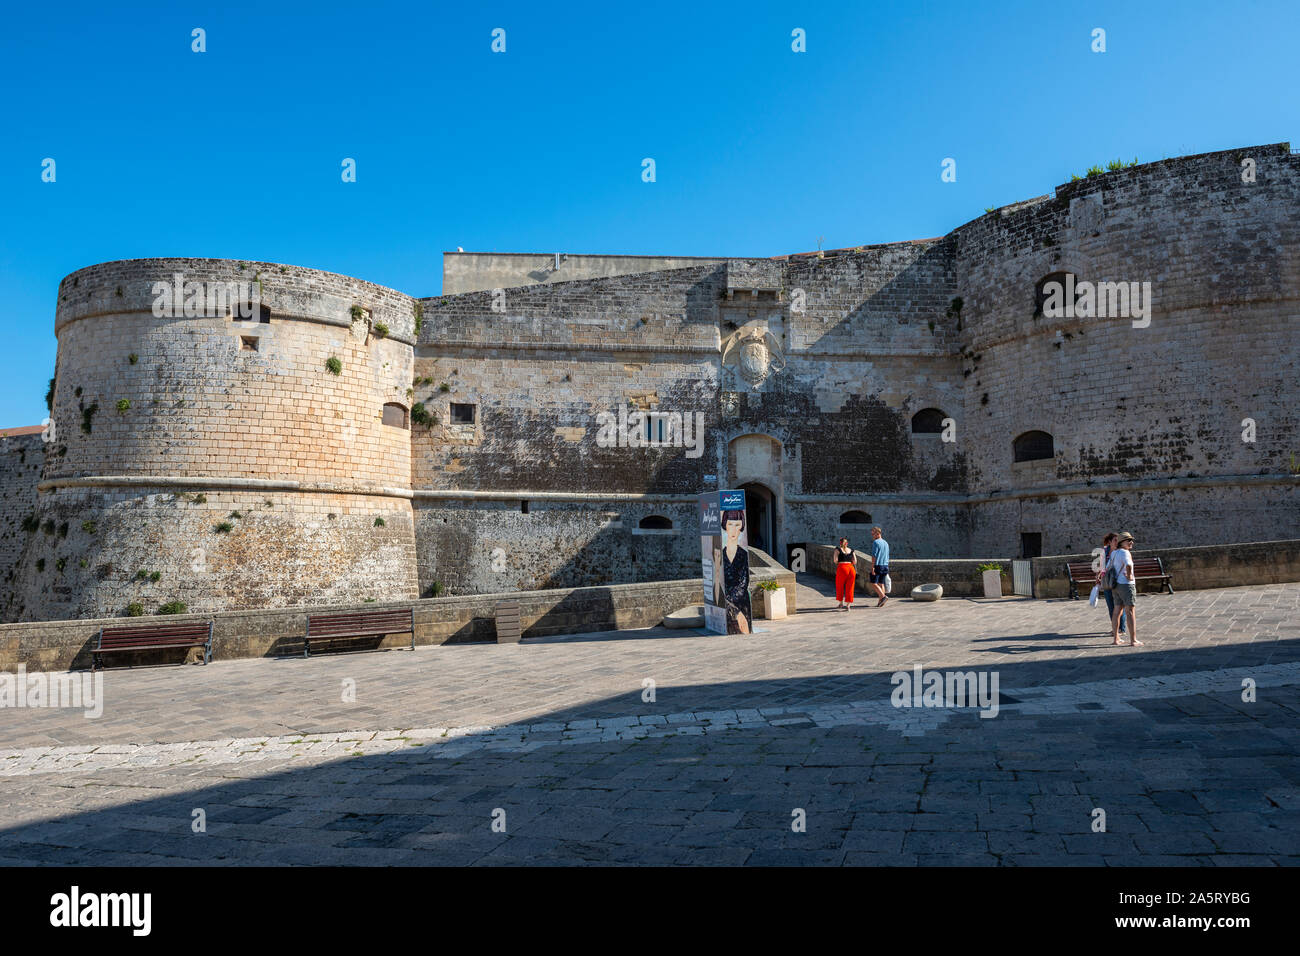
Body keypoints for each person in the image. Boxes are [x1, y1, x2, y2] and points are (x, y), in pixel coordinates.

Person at [1108, 531, 1142, 647]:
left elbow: (1109, 567)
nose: (1131, 542)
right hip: (1126, 585)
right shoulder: (1125, 552)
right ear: (1122, 542)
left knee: (1117, 611)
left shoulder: (1114, 553)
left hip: (1116, 585)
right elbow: (1128, 564)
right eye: (1129, 540)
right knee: (1130, 612)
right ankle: (1133, 640)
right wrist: (1129, 575)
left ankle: (1116, 639)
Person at [721, 509, 752, 634]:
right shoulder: (720, 556)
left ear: (741, 527)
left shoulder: (744, 555)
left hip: (741, 605)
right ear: (725, 525)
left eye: (737, 525)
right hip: (726, 607)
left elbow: (743, 582)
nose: (733, 530)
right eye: (730, 524)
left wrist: (729, 601)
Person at [1097, 532, 1126, 636]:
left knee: (1119, 605)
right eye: (1114, 540)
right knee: (1110, 605)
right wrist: (1098, 576)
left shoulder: (1121, 551)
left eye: (1118, 540)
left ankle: (1121, 629)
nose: (1117, 542)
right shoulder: (1104, 552)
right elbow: (1101, 566)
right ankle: (1115, 628)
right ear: (1109, 542)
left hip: (1119, 581)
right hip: (1107, 581)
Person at [868, 526, 891, 608]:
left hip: (878, 565)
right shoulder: (886, 543)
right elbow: (887, 555)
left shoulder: (876, 542)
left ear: (878, 533)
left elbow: (874, 555)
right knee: (881, 583)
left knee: (873, 583)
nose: (872, 536)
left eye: (873, 534)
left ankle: (883, 597)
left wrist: (872, 567)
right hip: (885, 565)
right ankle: (880, 601)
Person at [834, 537, 856, 610]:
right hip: (851, 569)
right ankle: (848, 605)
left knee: (840, 585)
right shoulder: (852, 550)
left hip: (842, 568)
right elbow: (855, 561)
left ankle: (841, 604)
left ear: (840, 543)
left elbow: (835, 560)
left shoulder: (837, 549)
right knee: (850, 587)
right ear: (847, 543)